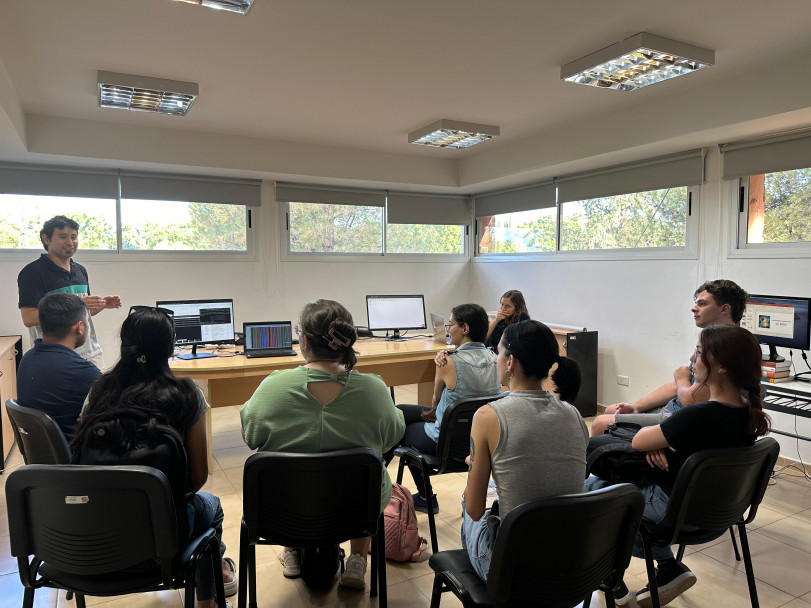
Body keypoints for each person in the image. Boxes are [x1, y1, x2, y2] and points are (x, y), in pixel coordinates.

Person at [585, 324, 770, 607]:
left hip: (670, 508)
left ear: (720, 366)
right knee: (615, 507)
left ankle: (612, 580)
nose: (692, 361)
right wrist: (663, 438)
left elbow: (639, 441)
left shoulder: (696, 416)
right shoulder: (747, 415)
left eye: (698, 353)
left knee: (589, 494)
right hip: (714, 511)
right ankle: (667, 570)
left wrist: (657, 439)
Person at [69, 307, 236, 608]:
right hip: (162, 544)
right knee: (212, 506)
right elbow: (197, 479)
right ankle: (207, 600)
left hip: (96, 538)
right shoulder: (188, 394)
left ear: (123, 345)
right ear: (171, 348)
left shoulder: (99, 391)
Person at [240, 299, 405, 591]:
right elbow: (392, 437)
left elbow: (251, 435)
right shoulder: (375, 389)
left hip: (283, 511)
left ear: (303, 341)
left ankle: (290, 550)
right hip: (355, 510)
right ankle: (357, 559)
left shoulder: (272, 387)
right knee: (372, 473)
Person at [462, 320, 587, 581]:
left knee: (469, 505)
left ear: (511, 362)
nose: (495, 359)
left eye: (498, 352)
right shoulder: (574, 415)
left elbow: (474, 510)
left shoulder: (487, 415)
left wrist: (476, 464)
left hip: (514, 568)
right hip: (570, 564)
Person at [384, 303, 502, 515]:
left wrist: (443, 359)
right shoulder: (495, 359)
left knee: (401, 425)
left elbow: (435, 404)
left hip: (446, 444)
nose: (448, 329)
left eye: (451, 324)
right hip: (478, 442)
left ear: (465, 328)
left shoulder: (447, 362)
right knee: (400, 411)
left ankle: (421, 495)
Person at [590, 279, 748, 436]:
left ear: (724, 309)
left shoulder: (726, 346)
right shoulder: (711, 339)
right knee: (612, 410)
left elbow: (692, 401)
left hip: (681, 417)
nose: (694, 308)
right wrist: (636, 407)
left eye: (702, 304)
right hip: (674, 408)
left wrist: (681, 378)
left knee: (600, 424)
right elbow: (676, 386)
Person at [17, 215, 121, 369]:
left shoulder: (81, 271)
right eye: (62, 236)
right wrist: (77, 305)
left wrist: (103, 304)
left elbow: (81, 312)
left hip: (91, 353)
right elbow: (29, 318)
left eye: (74, 237)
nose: (70, 242)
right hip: (55, 357)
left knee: (100, 393)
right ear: (46, 239)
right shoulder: (32, 273)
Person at [16, 292, 102, 439]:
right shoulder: (85, 372)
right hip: (76, 455)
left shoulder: (26, 359)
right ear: (80, 327)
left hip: (42, 453)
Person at [484, 290, 530, 354]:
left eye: (507, 306)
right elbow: (484, 337)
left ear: (517, 308)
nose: (503, 309)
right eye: (502, 304)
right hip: (492, 352)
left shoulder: (523, 319)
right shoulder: (502, 317)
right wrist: (496, 320)